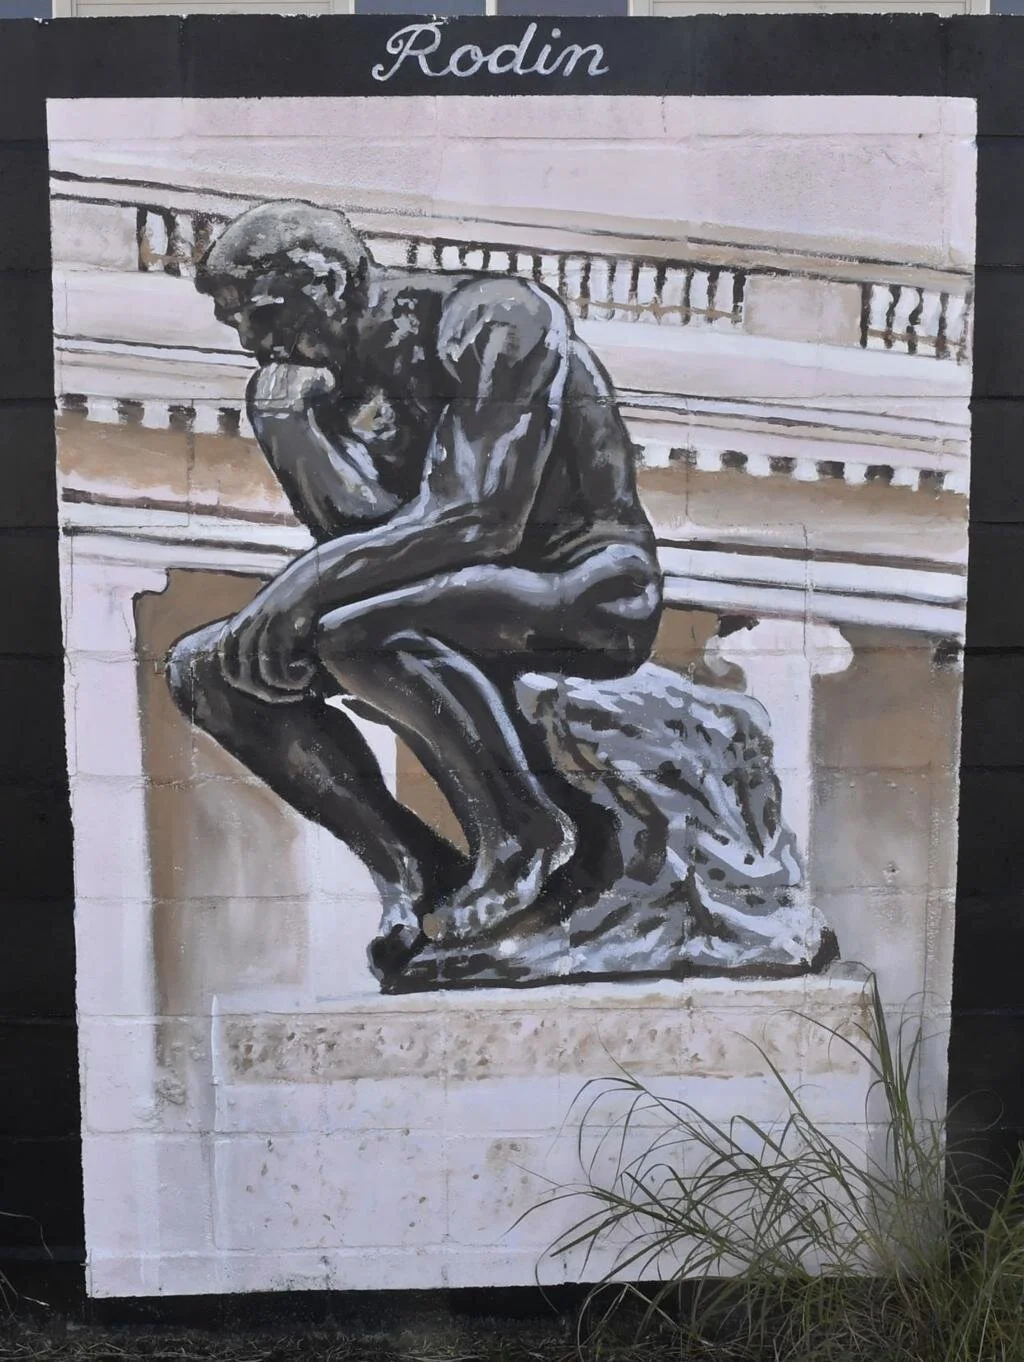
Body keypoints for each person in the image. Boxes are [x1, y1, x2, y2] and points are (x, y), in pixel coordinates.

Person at [166, 200, 662, 968]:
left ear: (329, 280)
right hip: (454, 599)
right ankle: (413, 871)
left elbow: (481, 516)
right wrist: (297, 436)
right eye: (237, 325)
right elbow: (364, 541)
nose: (255, 342)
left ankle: (527, 830)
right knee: (206, 672)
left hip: (583, 586)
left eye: (263, 314)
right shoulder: (300, 390)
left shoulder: (494, 317)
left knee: (358, 630)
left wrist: (303, 586)